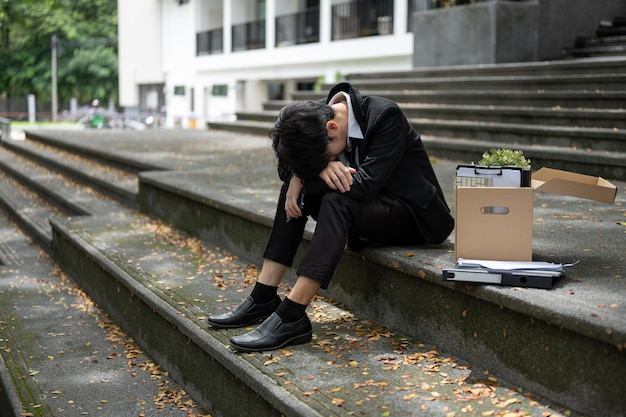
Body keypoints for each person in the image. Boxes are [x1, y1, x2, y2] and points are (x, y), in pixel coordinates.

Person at [208, 82, 454, 352]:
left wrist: (313, 175)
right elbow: (288, 169)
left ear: (332, 129)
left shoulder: (385, 116)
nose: (325, 162)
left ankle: (292, 315)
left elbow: (365, 185)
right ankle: (263, 297)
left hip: (414, 217)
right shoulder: (315, 120)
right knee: (291, 188)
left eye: (324, 156)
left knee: (333, 199)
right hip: (370, 212)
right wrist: (304, 174)